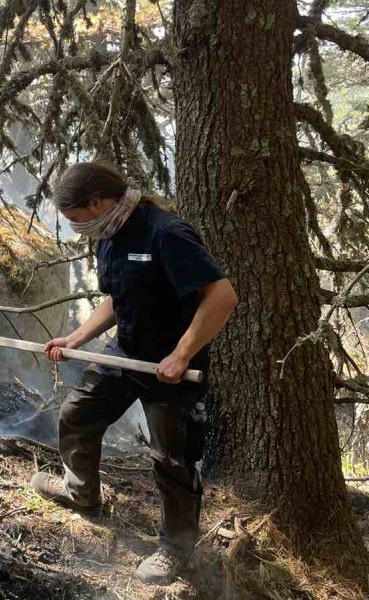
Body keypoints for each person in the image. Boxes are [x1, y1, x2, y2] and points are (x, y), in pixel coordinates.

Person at [31, 161, 238, 585]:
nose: (74, 227)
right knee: (77, 414)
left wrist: (181, 355)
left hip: (173, 368)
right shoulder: (107, 234)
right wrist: (76, 337)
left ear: (97, 202)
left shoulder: (166, 233)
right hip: (125, 352)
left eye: (75, 218)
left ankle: (175, 549)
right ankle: (81, 494)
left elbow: (222, 295)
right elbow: (116, 297)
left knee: (172, 457)